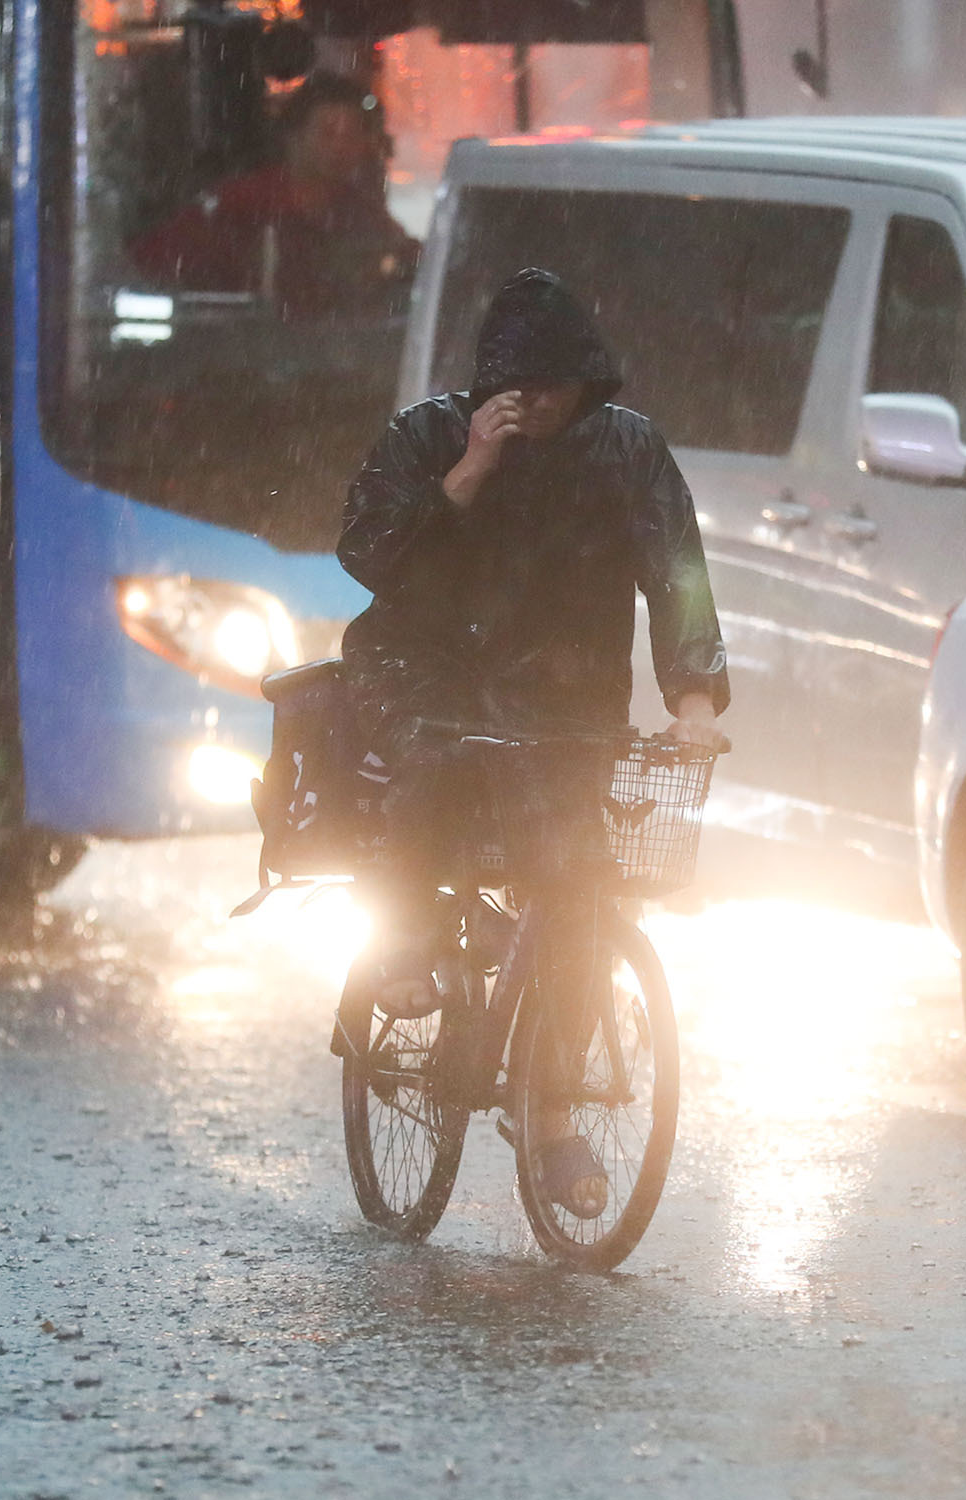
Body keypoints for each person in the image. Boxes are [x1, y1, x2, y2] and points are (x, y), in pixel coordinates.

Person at [335, 267, 728, 1215]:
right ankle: (406, 944)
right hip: (425, 676)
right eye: (521, 388)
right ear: (489, 389)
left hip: (561, 699)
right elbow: (368, 555)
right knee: (427, 783)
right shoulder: (429, 436)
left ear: (587, 385)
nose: (539, 405)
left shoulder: (628, 453)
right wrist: (465, 474)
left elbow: (676, 572)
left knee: (578, 888)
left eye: (557, 387)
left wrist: (696, 698)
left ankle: (547, 1125)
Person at [128, 72, 417, 322]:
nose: (340, 147)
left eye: (352, 135)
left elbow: (403, 259)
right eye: (327, 133)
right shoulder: (242, 202)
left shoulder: (357, 210)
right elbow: (154, 263)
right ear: (294, 137)